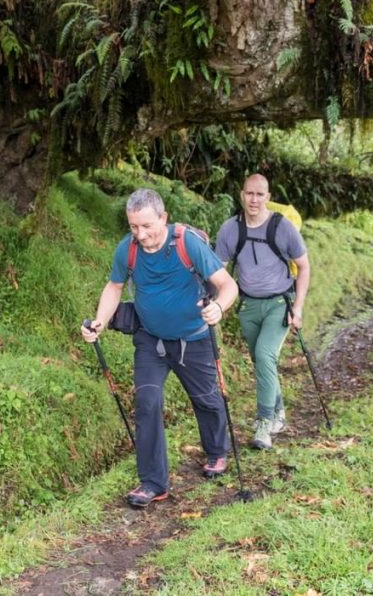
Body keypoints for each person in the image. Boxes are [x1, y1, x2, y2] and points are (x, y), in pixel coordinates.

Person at [81, 188, 238, 508]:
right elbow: (114, 286)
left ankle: (217, 451)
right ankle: (153, 482)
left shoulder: (187, 244)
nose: (141, 234)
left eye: (147, 226)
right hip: (151, 340)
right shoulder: (128, 250)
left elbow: (228, 285)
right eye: (133, 227)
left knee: (207, 400)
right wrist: (100, 320)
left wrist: (219, 308)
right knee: (148, 401)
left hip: (194, 339)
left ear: (163, 218)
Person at [215, 174, 310, 450]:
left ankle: (264, 423)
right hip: (248, 305)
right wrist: (212, 299)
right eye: (249, 194)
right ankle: (279, 412)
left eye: (259, 195)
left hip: (280, 303)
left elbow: (303, 267)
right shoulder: (231, 229)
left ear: (268, 198)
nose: (254, 199)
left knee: (265, 355)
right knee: (262, 363)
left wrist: (299, 307)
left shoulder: (283, 228)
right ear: (241, 195)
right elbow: (217, 269)